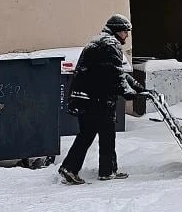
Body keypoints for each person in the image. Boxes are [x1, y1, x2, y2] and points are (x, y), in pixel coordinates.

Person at [58, 14, 144, 185]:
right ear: (117, 31)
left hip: (91, 98)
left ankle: (107, 170)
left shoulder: (101, 42)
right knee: (89, 134)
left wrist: (137, 86)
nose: (127, 35)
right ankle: (70, 168)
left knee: (105, 133)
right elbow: (113, 75)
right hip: (94, 100)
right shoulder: (109, 45)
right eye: (125, 32)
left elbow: (117, 72)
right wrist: (130, 93)